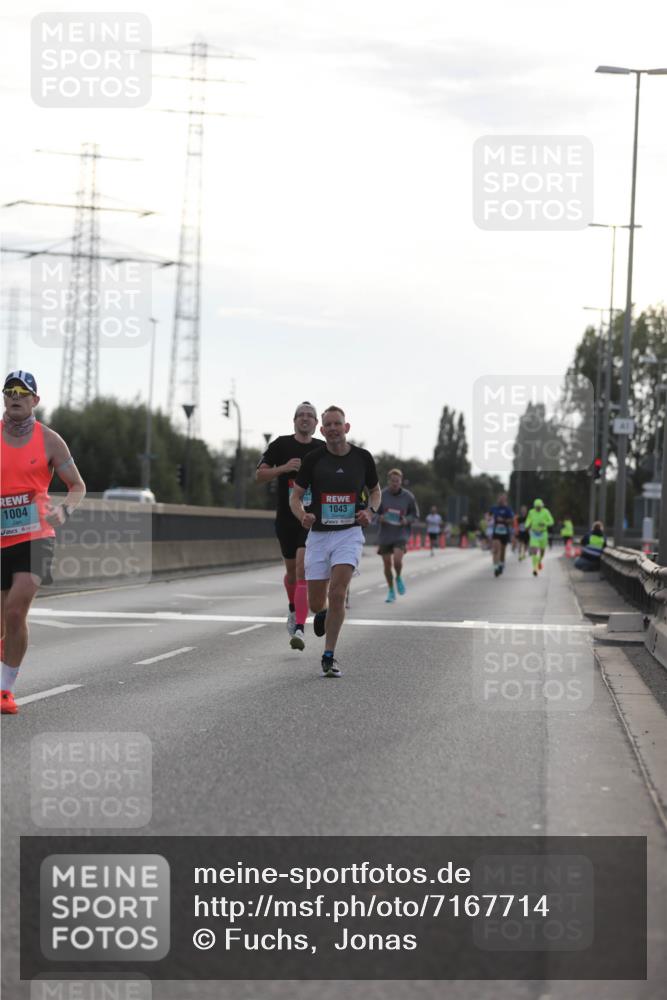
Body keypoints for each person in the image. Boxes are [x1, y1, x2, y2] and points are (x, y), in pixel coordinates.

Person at [1, 371, 86, 714]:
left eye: (23, 392)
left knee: (16, 610)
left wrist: (64, 511)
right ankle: (7, 650)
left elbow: (76, 485)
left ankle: (5, 691)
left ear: (35, 400)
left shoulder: (50, 441)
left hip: (36, 537)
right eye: (9, 391)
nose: (15, 396)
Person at [289, 406, 380, 677]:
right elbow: (295, 497)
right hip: (318, 535)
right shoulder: (313, 460)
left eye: (336, 424)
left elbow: (375, 491)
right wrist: (301, 515)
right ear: (322, 430)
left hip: (349, 533)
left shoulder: (363, 458)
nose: (332, 428)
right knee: (318, 603)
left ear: (346, 427)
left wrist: (370, 511)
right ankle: (322, 613)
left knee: (338, 592)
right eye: (327, 425)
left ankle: (328, 656)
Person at [256, 402, 324, 651]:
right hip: (286, 518)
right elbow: (259, 476)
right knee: (292, 574)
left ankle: (299, 629)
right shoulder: (280, 445)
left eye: (310, 416)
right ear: (294, 420)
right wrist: (285, 468)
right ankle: (294, 608)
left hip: (310, 519)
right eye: (301, 415)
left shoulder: (322, 449)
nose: (305, 419)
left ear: (317, 424)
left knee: (301, 569)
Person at [376, 469, 419, 600]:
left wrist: (407, 520)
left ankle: (399, 577)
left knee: (397, 561)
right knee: (387, 564)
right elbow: (374, 512)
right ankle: (390, 590)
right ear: (388, 481)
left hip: (401, 533)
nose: (395, 483)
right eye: (392, 481)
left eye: (397, 481)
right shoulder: (381, 495)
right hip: (385, 534)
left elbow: (415, 515)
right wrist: (380, 517)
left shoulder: (408, 497)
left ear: (401, 482)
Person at [525, 498, 555, 577]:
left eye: (539, 507)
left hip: (543, 534)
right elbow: (528, 520)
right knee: (534, 550)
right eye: (536, 507)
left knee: (542, 552)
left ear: (542, 506)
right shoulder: (531, 512)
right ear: (534, 507)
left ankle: (539, 561)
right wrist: (527, 525)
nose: (538, 509)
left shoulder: (546, 511)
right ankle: (535, 568)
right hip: (534, 533)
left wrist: (544, 523)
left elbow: (551, 521)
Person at [488, 492, 514, 577]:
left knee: (502, 551)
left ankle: (501, 564)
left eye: (503, 499)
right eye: (500, 498)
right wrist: (490, 518)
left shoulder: (508, 509)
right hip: (496, 532)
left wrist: (503, 520)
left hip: (504, 532)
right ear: (498, 499)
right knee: (496, 549)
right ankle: (496, 567)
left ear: (505, 500)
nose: (501, 500)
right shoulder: (494, 508)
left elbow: (511, 520)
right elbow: (488, 517)